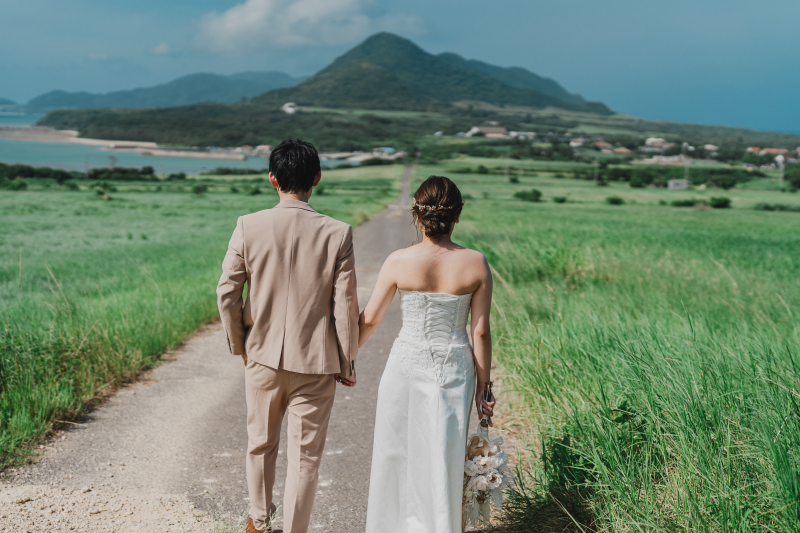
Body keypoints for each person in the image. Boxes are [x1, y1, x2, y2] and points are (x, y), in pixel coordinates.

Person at [216, 139, 359, 533]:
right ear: (317, 178)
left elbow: (227, 292)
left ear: (272, 179)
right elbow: (345, 307)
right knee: (305, 458)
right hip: (316, 363)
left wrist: (240, 345)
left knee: (261, 444)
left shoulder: (248, 225)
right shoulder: (338, 233)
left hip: (261, 357)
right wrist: (346, 361)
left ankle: (260, 522)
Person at [360, 175, 496, 533]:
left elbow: (369, 319)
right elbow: (480, 331)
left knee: (397, 450)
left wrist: (345, 358)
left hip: (405, 364)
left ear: (416, 214)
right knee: (444, 450)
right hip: (454, 368)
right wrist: (485, 387)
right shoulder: (476, 263)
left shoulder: (398, 261)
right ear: (457, 215)